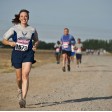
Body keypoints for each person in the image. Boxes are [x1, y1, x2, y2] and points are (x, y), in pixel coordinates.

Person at [2, 9, 39, 108]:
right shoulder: (14, 28)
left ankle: (23, 99)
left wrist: (35, 45)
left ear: (28, 18)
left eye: (26, 16)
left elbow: (36, 40)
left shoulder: (32, 29)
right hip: (17, 54)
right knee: (19, 78)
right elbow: (4, 40)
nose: (24, 18)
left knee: (25, 75)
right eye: (22, 16)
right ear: (19, 17)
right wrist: (10, 43)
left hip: (28, 53)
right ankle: (19, 90)